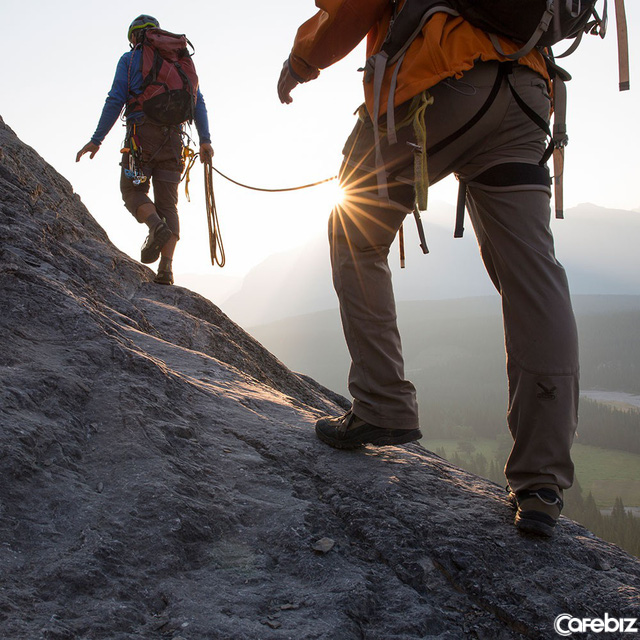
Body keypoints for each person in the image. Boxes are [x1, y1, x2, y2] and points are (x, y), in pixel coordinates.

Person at [278, 1, 579, 538]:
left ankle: (382, 403)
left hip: (439, 84)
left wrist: (302, 61)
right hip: (528, 93)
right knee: (533, 277)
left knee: (354, 232)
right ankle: (541, 481)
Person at [77, 14, 213, 285]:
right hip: (175, 141)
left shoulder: (130, 60)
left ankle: (155, 227)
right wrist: (205, 140)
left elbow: (116, 98)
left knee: (132, 191)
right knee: (168, 204)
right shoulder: (179, 62)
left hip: (141, 138)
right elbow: (198, 102)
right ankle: (166, 269)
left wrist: (97, 138)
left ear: (134, 37)